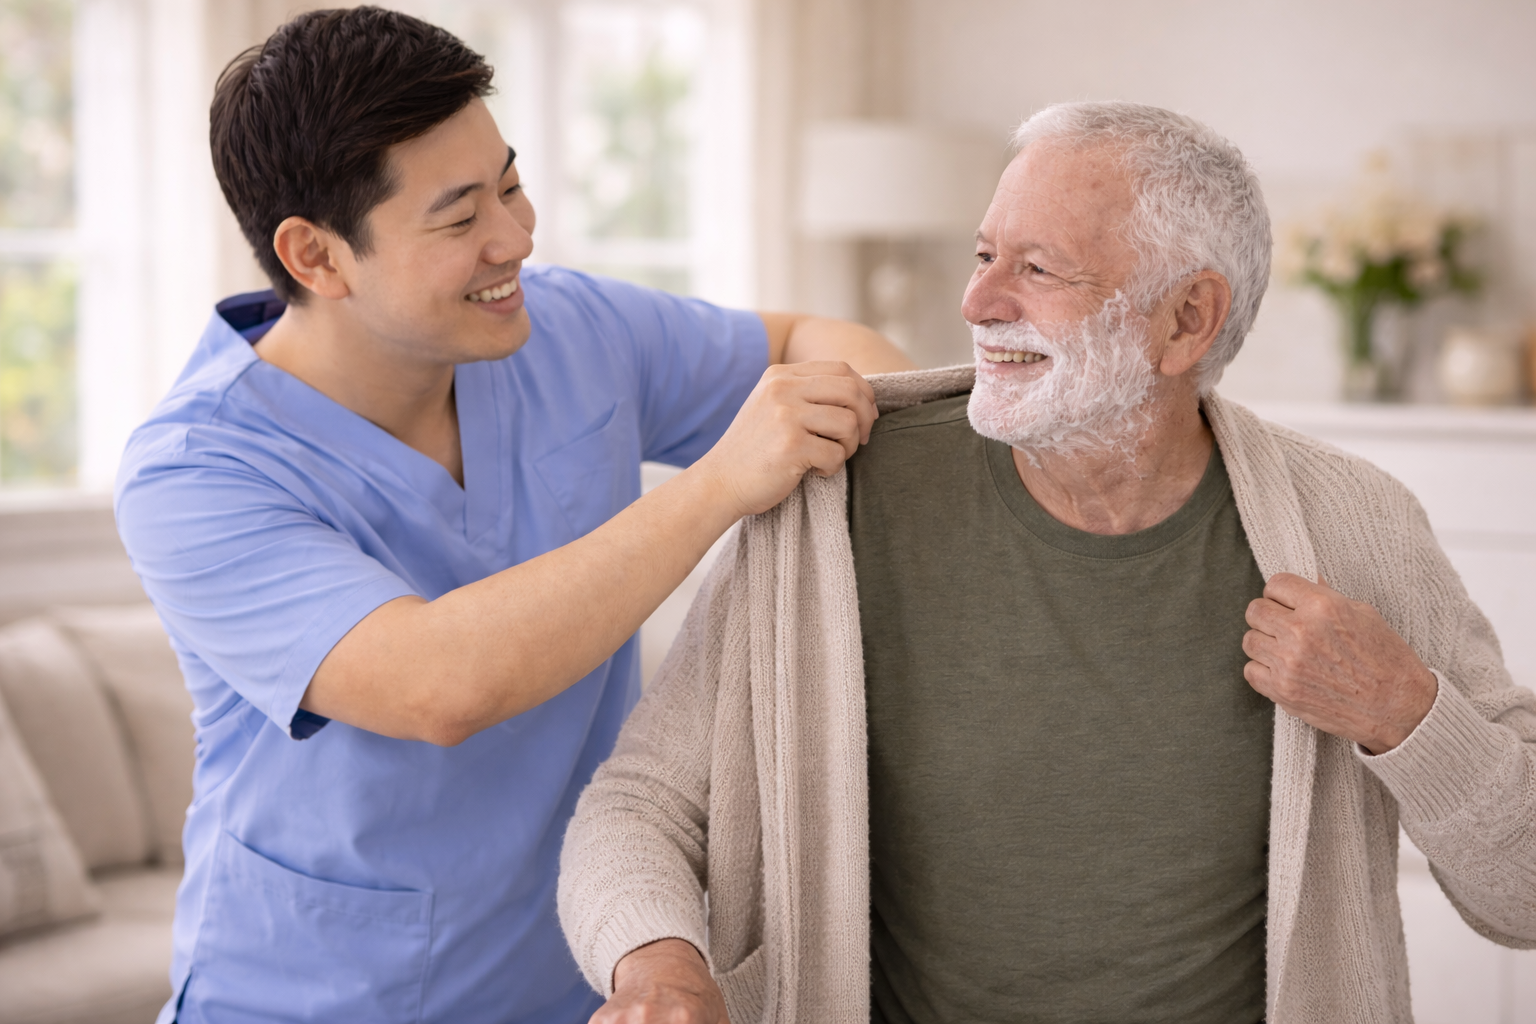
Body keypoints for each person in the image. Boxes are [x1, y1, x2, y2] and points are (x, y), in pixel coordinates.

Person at [557, 101, 1536, 1024]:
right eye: (985, 255)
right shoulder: (832, 499)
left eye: (1038, 268)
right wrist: (660, 965)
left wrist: (1405, 713)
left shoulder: (1349, 523)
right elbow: (640, 803)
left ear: (1187, 320)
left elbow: (1522, 893)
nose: (977, 300)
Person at [114, 8, 913, 1023]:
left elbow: (808, 339)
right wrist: (718, 481)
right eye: (460, 217)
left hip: (569, 984)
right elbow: (443, 684)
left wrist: (913, 461)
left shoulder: (571, 331)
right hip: (310, 998)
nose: (517, 236)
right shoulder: (199, 472)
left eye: (511, 182)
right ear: (315, 256)